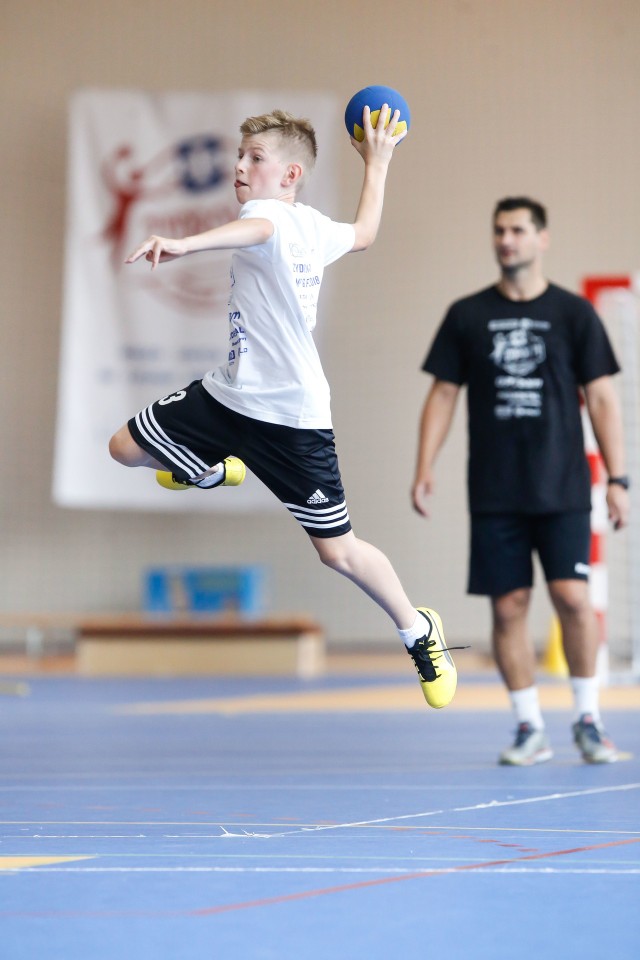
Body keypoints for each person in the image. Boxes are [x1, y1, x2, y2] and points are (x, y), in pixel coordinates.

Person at [109, 105, 459, 709]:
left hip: (292, 416)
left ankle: (418, 629)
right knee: (124, 447)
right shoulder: (317, 228)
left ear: (290, 175)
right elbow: (366, 233)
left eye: (256, 159)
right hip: (229, 394)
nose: (240, 168)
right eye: (239, 157)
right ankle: (213, 468)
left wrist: (184, 242)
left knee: (338, 551)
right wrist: (378, 163)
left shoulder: (267, 215)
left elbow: (256, 231)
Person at [412, 196, 630, 761]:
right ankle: (529, 727)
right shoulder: (467, 314)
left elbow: (603, 397)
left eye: (517, 230)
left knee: (572, 597)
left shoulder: (575, 314)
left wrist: (618, 478)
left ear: (542, 239)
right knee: (507, 606)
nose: (506, 240)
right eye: (499, 231)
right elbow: (441, 394)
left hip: (561, 486)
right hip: (494, 488)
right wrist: (423, 466)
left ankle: (587, 718)